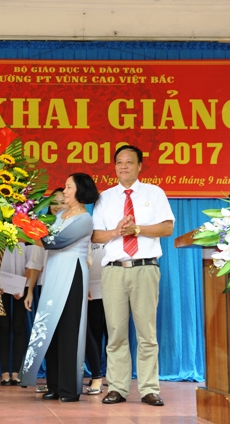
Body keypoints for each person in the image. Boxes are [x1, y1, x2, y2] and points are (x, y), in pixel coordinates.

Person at [92, 145, 174, 407]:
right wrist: (117, 232)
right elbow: (95, 235)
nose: (123, 166)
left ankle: (149, 389)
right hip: (114, 270)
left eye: (129, 162)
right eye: (119, 162)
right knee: (116, 332)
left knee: (147, 333)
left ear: (140, 166)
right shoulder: (105, 198)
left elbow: (167, 228)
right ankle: (117, 388)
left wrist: (137, 229)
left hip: (145, 268)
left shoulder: (154, 193)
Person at [19, 173, 99, 403]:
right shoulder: (59, 216)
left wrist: (21, 231)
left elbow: (55, 242)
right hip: (53, 274)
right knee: (49, 329)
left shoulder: (84, 219)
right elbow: (44, 237)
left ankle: (69, 389)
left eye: (68, 187)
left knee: (69, 330)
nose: (64, 191)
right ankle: (53, 385)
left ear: (80, 190)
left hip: (72, 274)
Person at [33, 187, 66, 394]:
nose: (58, 206)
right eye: (54, 203)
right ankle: (53, 385)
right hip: (47, 287)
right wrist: (29, 291)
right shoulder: (42, 228)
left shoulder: (77, 224)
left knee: (67, 336)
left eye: (63, 202)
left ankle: (67, 384)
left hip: (69, 285)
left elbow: (87, 258)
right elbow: (35, 262)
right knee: (49, 337)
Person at [0, 243, 42, 386]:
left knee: (18, 326)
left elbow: (32, 262)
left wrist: (21, 284)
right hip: (1, 286)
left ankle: (16, 371)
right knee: (3, 326)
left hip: (24, 285)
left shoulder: (27, 236)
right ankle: (5, 372)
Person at [85, 242, 107, 395]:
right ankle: (96, 373)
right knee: (95, 333)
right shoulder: (88, 233)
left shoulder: (115, 232)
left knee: (114, 335)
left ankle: (114, 375)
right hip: (92, 288)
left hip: (113, 286)